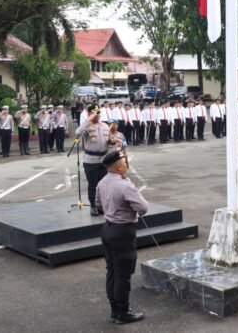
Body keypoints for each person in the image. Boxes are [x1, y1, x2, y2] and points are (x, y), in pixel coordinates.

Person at [96, 150, 148, 325]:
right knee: (123, 274)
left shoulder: (102, 182)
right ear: (118, 166)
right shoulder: (125, 185)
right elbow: (143, 207)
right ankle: (123, 312)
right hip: (123, 233)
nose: (127, 164)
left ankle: (114, 309)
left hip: (108, 229)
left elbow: (98, 205)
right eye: (125, 162)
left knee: (112, 271)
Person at [76, 104, 112, 216]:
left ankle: (102, 205)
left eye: (98, 112)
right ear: (89, 113)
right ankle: (93, 206)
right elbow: (78, 133)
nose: (97, 115)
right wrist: (88, 120)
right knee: (93, 185)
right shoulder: (86, 126)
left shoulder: (105, 126)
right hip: (91, 160)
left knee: (105, 185)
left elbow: (109, 140)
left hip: (104, 160)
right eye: (94, 112)